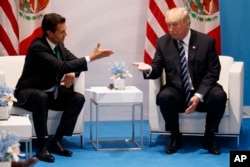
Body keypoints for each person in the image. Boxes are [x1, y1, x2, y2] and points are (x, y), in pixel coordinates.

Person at [14, 13, 114, 163]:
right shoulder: (37, 47)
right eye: (62, 31)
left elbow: (73, 62)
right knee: (40, 97)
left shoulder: (59, 45)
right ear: (49, 33)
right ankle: (41, 146)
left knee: (77, 98)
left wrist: (72, 71)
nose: (66, 34)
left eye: (65, 30)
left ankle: (57, 141)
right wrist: (91, 57)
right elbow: (60, 66)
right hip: (28, 94)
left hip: (51, 94)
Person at [133, 7, 226, 155]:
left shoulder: (206, 41)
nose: (171, 29)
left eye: (175, 25)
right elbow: (157, 67)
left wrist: (199, 95)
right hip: (178, 91)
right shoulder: (163, 43)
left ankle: (209, 136)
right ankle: (175, 136)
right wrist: (148, 69)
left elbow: (213, 72)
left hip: (202, 91)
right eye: (168, 25)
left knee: (219, 95)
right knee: (165, 96)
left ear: (187, 23)